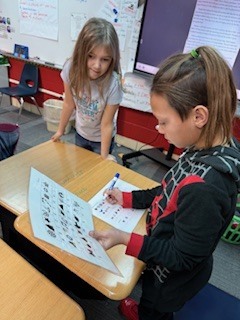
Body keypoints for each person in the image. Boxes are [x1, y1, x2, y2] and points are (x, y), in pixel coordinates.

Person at [90, 46, 240, 320]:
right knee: (150, 298)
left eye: (163, 122)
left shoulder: (206, 188)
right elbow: (171, 191)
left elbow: (180, 257)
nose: (158, 129)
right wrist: (129, 199)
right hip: (167, 254)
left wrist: (124, 238)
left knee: (155, 307)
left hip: (171, 278)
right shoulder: (204, 145)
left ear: (198, 116)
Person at [51, 17, 123, 160]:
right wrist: (60, 131)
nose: (97, 66)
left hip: (101, 139)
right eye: (91, 56)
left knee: (98, 174)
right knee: (81, 167)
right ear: (81, 52)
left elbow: (107, 124)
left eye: (105, 59)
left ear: (112, 59)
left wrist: (104, 156)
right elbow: (68, 104)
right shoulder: (71, 69)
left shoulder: (113, 83)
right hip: (81, 133)